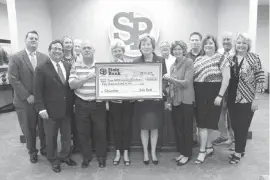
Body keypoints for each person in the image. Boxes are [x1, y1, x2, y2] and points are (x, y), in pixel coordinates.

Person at [34, 40, 77, 173]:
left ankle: (65, 156)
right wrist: (41, 108)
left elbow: (69, 88)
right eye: (55, 49)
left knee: (66, 135)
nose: (58, 51)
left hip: (67, 109)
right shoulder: (41, 68)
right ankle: (53, 160)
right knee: (51, 137)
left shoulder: (67, 66)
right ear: (49, 50)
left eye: (60, 49)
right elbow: (37, 90)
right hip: (50, 110)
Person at [8, 30, 47, 163]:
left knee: (43, 126)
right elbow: (13, 79)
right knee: (28, 128)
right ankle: (32, 151)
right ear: (25, 40)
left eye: (36, 39)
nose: (34, 40)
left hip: (41, 100)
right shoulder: (16, 58)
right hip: (24, 101)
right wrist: (27, 95)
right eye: (31, 38)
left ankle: (44, 148)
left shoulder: (44, 57)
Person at [227, 33, 264, 164]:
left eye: (244, 43)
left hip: (247, 98)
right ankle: (240, 149)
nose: (241, 45)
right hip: (231, 97)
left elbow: (260, 78)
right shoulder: (230, 58)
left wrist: (257, 99)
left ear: (248, 45)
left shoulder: (254, 58)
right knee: (235, 126)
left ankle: (237, 153)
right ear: (235, 45)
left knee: (243, 125)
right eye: (238, 43)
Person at [69, 41, 107, 168]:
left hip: (98, 104)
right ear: (81, 51)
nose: (86, 50)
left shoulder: (100, 66)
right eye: (84, 48)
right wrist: (87, 78)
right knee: (83, 132)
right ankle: (87, 157)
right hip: (81, 104)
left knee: (100, 131)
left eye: (89, 48)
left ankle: (101, 157)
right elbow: (72, 85)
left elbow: (107, 84)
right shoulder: (75, 66)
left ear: (93, 51)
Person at [193, 35, 230, 164]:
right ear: (203, 46)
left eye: (211, 43)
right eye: (206, 43)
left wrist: (220, 96)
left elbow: (226, 78)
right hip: (199, 94)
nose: (208, 45)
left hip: (214, 94)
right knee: (204, 124)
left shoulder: (221, 58)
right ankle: (208, 147)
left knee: (206, 124)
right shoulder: (198, 59)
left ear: (215, 45)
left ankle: (201, 151)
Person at [133, 35, 167, 165]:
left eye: (148, 44)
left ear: (153, 46)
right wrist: (137, 95)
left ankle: (153, 152)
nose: (146, 46)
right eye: (143, 44)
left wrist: (160, 93)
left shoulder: (160, 60)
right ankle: (146, 153)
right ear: (140, 47)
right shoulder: (136, 62)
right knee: (143, 128)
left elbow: (164, 79)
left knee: (154, 127)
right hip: (141, 101)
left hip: (155, 101)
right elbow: (133, 82)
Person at [163, 40, 194, 166]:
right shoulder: (172, 65)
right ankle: (182, 152)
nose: (177, 51)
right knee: (179, 129)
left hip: (186, 100)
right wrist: (169, 100)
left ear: (184, 50)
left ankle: (187, 155)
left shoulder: (189, 62)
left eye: (179, 49)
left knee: (187, 128)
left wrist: (170, 79)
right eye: (175, 49)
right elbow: (172, 86)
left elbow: (186, 83)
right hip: (175, 101)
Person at [108, 39, 134, 166]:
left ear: (123, 51)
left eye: (119, 50)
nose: (117, 52)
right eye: (115, 51)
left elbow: (134, 82)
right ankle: (118, 152)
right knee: (117, 128)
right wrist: (107, 102)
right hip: (114, 103)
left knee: (126, 128)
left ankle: (126, 152)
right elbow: (105, 85)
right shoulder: (107, 66)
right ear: (112, 52)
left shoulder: (129, 65)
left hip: (127, 103)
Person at [212, 32, 235, 146]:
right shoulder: (219, 53)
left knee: (232, 115)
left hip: (234, 89)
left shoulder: (237, 53)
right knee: (220, 114)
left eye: (228, 39)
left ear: (233, 41)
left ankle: (234, 138)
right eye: (224, 39)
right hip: (221, 88)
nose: (226, 41)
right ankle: (223, 136)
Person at [186, 32, 204, 146]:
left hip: (203, 90)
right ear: (189, 41)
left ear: (200, 41)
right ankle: (193, 137)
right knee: (191, 115)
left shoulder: (206, 54)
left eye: (197, 40)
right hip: (189, 90)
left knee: (202, 116)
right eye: (192, 40)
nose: (194, 42)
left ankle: (204, 140)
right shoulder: (186, 56)